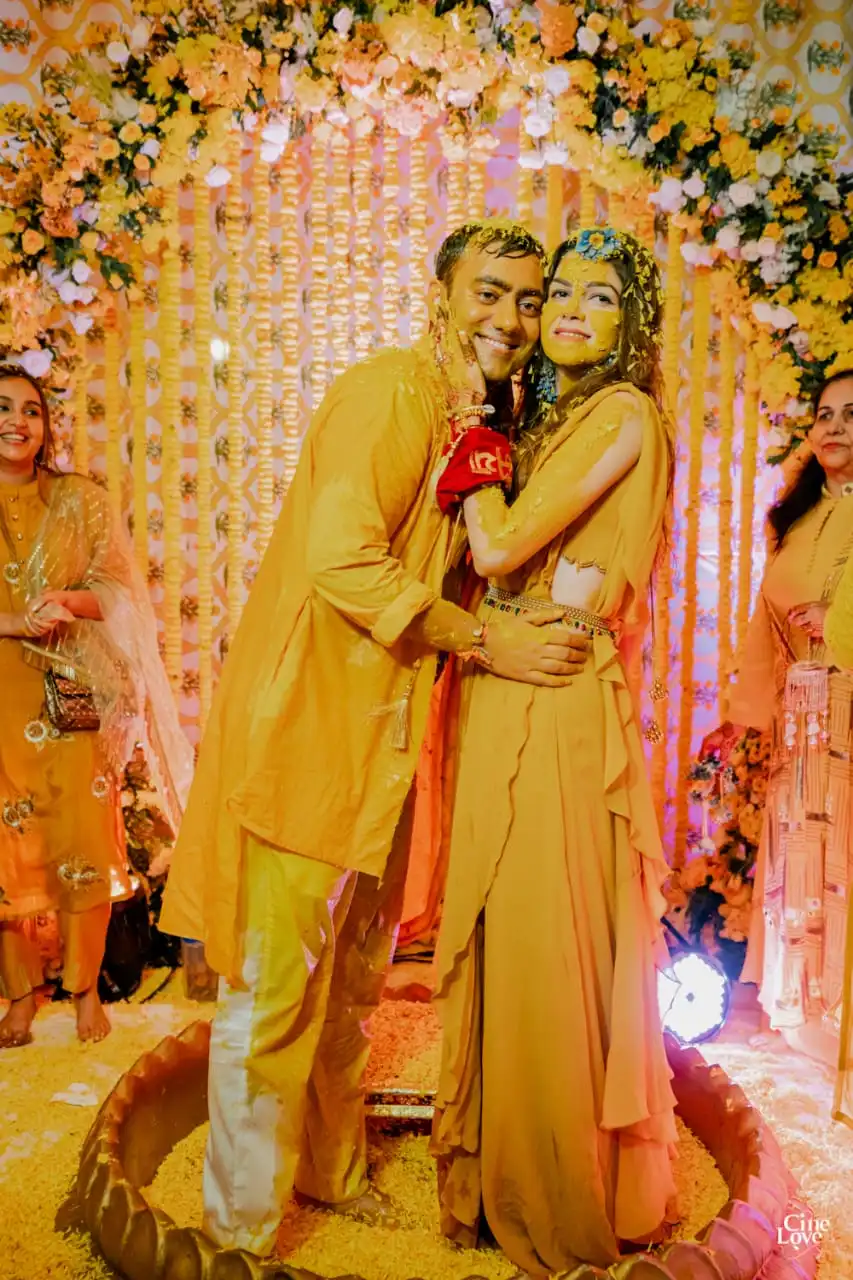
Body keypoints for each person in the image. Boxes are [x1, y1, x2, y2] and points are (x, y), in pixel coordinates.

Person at [159, 220, 591, 1258]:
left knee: (353, 981)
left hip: (384, 747)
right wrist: (479, 639)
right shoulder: (393, 393)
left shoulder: (472, 414)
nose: (511, 318)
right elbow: (342, 558)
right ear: (441, 295)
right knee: (274, 992)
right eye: (489, 292)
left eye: (527, 300)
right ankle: (236, 1238)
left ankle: (330, 1171)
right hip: (311, 730)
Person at [430, 226, 679, 1274]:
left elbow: (496, 547)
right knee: (504, 927)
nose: (570, 310)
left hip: (555, 694)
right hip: (507, 676)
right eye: (557, 293)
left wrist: (472, 431)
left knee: (543, 937)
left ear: (631, 324)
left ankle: (554, 1187)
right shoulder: (552, 420)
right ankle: (500, 1174)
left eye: (599, 296)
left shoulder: (620, 413)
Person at [0, 366, 192, 1048]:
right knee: (6, 848)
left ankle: (85, 990)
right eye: (4, 407)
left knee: (85, 831)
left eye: (31, 410)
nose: (18, 421)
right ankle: (19, 998)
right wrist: (14, 622)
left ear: (46, 426)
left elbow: (117, 592)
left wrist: (66, 603)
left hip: (69, 683)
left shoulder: (77, 500)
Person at [712, 370, 853, 1124]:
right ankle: (805, 1016)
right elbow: (766, 626)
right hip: (802, 715)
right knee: (801, 855)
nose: (834, 427)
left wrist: (838, 618)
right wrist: (749, 715)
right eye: (824, 415)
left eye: (852, 415)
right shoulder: (797, 520)